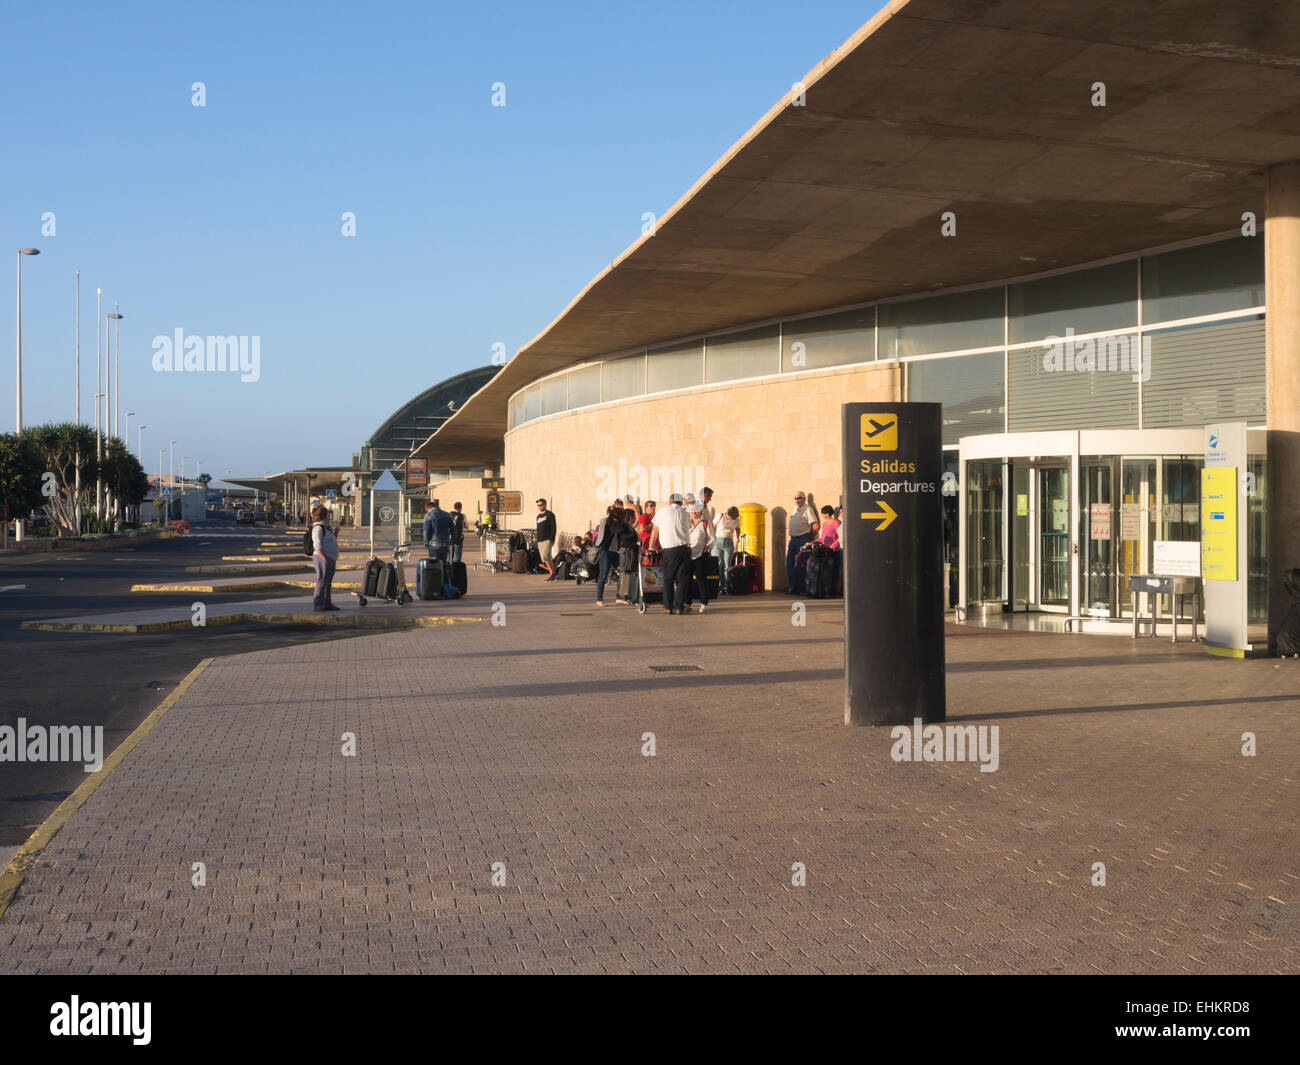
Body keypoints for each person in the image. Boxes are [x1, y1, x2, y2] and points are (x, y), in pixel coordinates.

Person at [649, 493, 691, 615]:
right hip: (684, 548)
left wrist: (651, 547)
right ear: (681, 502)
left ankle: (668, 606)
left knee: (668, 579)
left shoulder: (662, 511)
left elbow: (655, 530)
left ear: (670, 501)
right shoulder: (685, 512)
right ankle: (679, 606)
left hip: (670, 550)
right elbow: (687, 526)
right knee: (682, 579)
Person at [786, 491, 819, 593]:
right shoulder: (794, 509)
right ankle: (793, 586)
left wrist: (810, 538)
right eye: (795, 498)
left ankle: (802, 587)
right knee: (789, 562)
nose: (797, 500)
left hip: (803, 538)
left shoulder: (808, 509)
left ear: (804, 499)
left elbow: (815, 525)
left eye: (799, 498)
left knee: (801, 563)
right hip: (793, 540)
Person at [591, 506, 623, 606]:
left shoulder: (619, 524)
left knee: (622, 571)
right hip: (605, 552)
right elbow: (608, 523)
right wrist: (612, 514)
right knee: (603, 575)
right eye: (614, 516)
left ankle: (619, 597)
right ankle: (599, 599)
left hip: (614, 552)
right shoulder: (604, 521)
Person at [310, 504, 340, 612]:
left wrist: (336, 533)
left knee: (328, 582)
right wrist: (325, 559)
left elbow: (330, 540)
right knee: (321, 581)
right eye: (328, 514)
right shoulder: (318, 528)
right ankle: (318, 604)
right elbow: (317, 545)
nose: (329, 517)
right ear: (323, 516)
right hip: (322, 558)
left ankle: (327, 603)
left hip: (330, 558)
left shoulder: (326, 528)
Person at [688, 503, 716, 613]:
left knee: (700, 578)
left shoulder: (705, 523)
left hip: (700, 554)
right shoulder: (687, 523)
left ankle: (703, 602)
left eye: (696, 510)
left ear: (700, 511)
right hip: (688, 554)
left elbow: (712, 538)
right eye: (692, 510)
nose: (694, 512)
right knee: (687, 579)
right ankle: (687, 601)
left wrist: (707, 547)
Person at [713, 505, 740, 593]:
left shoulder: (736, 519)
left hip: (728, 541)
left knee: (727, 565)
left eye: (734, 518)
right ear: (727, 514)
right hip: (717, 541)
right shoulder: (720, 516)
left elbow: (737, 528)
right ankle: (717, 586)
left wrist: (737, 537)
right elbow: (713, 526)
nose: (732, 519)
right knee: (718, 564)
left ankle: (725, 587)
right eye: (731, 518)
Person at [615, 508, 640, 605]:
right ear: (630, 517)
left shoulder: (628, 526)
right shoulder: (624, 526)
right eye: (633, 516)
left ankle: (627, 594)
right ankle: (620, 595)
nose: (635, 518)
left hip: (631, 551)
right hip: (626, 551)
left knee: (629, 572)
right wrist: (635, 541)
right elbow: (623, 539)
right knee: (624, 572)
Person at [535, 498, 557, 579]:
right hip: (540, 540)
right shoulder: (538, 516)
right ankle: (552, 573)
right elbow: (538, 529)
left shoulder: (550, 514)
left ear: (545, 505)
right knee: (546, 557)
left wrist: (552, 539)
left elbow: (553, 528)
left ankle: (552, 573)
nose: (539, 507)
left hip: (547, 539)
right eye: (538, 505)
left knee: (545, 556)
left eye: (541, 505)